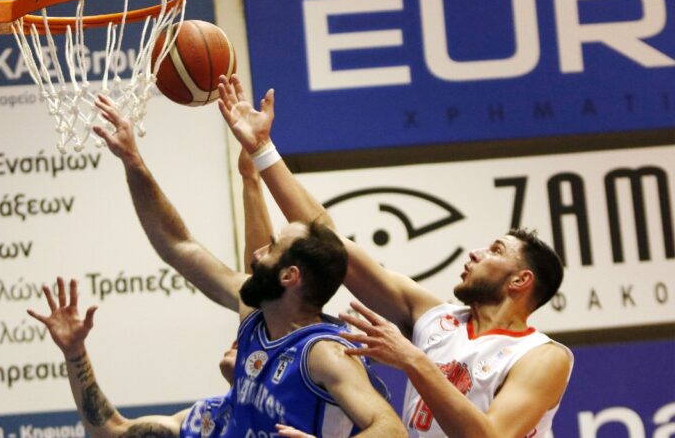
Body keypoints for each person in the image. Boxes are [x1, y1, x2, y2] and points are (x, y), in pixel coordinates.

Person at [217, 73, 574, 438]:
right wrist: (263, 149)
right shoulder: (435, 319)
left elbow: (490, 436)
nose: (476, 252)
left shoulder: (541, 355)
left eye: (495, 250)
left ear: (521, 279)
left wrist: (412, 358)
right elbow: (330, 244)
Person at [90, 95, 407, 438]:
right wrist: (134, 162)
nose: (257, 253)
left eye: (272, 248)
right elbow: (177, 245)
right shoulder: (256, 317)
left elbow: (392, 430)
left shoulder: (323, 353)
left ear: (289, 276)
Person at [28, 277, 235, 438]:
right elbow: (113, 430)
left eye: (249, 339)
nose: (236, 342)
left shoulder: (257, 414)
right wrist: (75, 353)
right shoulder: (205, 417)